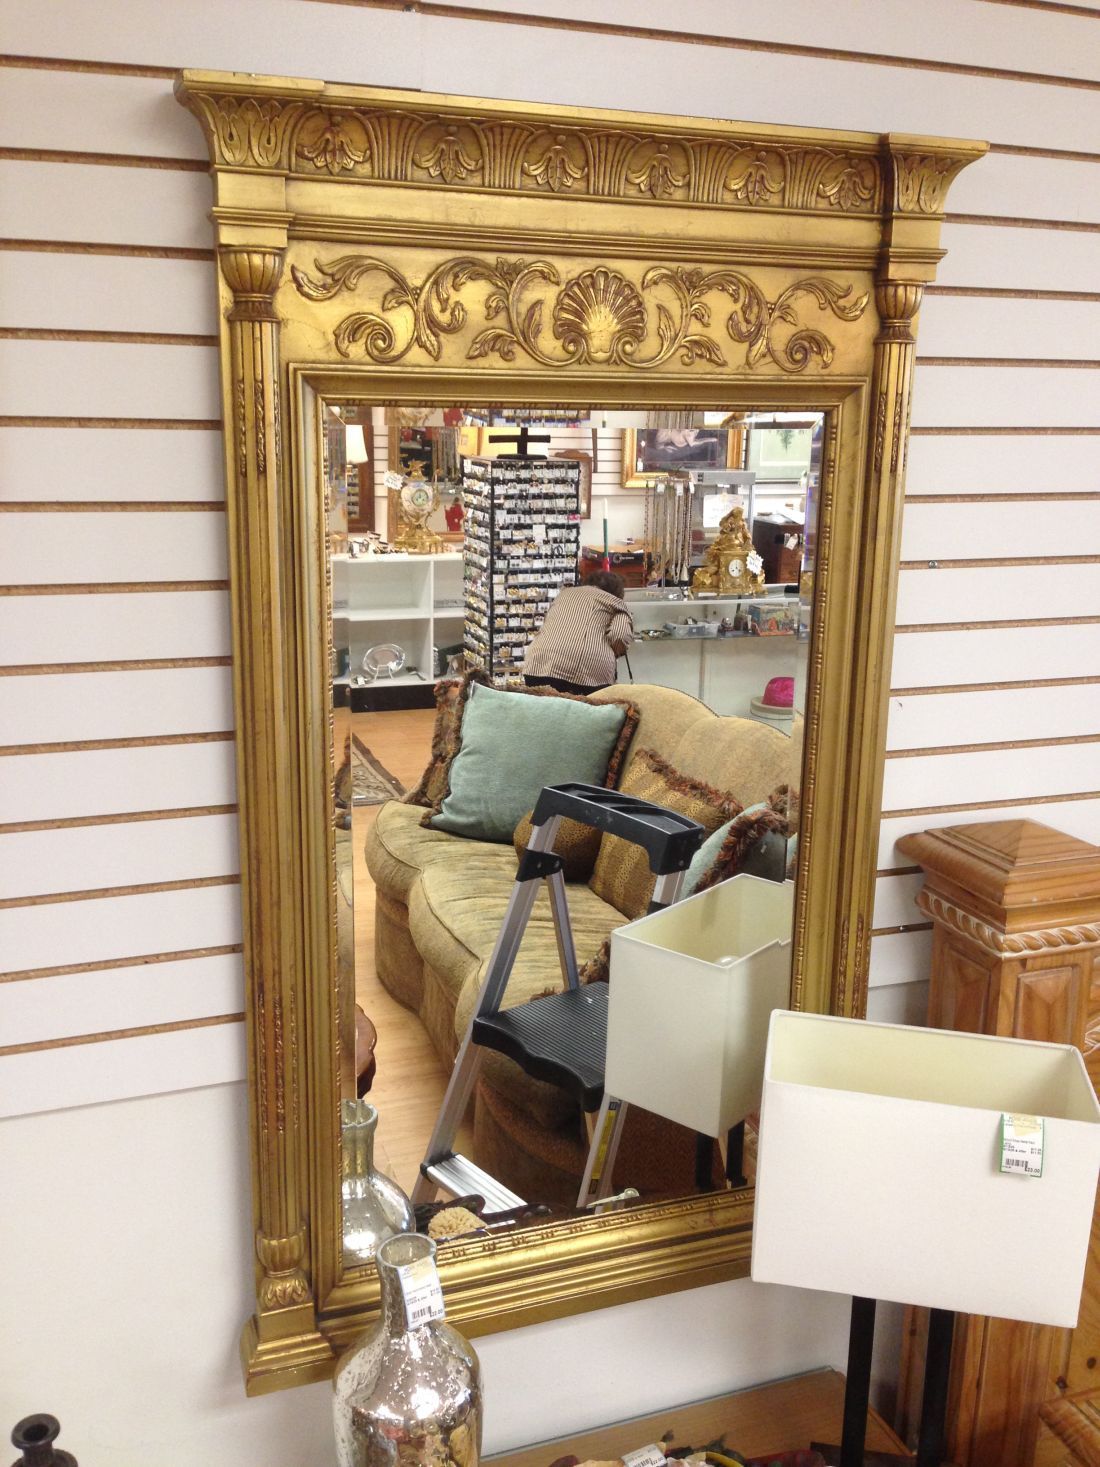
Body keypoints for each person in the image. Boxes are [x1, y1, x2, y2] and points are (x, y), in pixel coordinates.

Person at [523, 569, 634, 696]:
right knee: (583, 708)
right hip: (588, 672)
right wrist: (615, 652)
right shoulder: (617, 603)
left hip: (537, 663)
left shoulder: (563, 595)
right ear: (618, 591)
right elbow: (619, 635)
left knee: (541, 707)